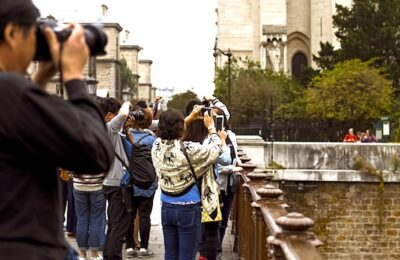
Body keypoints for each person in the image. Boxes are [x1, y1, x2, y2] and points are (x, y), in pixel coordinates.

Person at [0, 1, 114, 259]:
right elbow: (95, 153)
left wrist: (37, 83)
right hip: (23, 247)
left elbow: (19, 132)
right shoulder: (8, 91)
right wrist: (74, 76)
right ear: (11, 34)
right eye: (32, 34)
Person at [152, 108, 222, 260]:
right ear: (181, 127)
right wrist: (212, 128)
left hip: (166, 206)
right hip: (188, 207)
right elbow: (216, 150)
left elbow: (168, 133)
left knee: (170, 254)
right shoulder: (190, 149)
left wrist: (189, 118)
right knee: (187, 255)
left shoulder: (156, 146)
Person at [183, 100, 231, 260]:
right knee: (210, 233)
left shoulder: (183, 140)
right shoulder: (209, 140)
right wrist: (219, 137)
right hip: (209, 192)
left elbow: (165, 139)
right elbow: (225, 159)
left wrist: (189, 119)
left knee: (191, 233)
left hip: (187, 191)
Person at [122, 105, 157, 258]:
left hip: (129, 180)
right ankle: (144, 248)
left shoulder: (124, 138)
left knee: (129, 215)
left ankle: (129, 247)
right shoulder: (151, 139)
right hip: (147, 183)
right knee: (145, 216)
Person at [100, 98, 132, 260]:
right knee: (119, 227)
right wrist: (126, 103)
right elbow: (124, 113)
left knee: (113, 225)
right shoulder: (108, 128)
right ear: (109, 115)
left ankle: (108, 255)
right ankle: (113, 256)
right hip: (117, 184)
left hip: (110, 182)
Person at [72, 169, 106, 260]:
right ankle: (94, 254)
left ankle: (82, 254)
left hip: (79, 185)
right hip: (98, 185)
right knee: (97, 220)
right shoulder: (100, 153)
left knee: (82, 220)